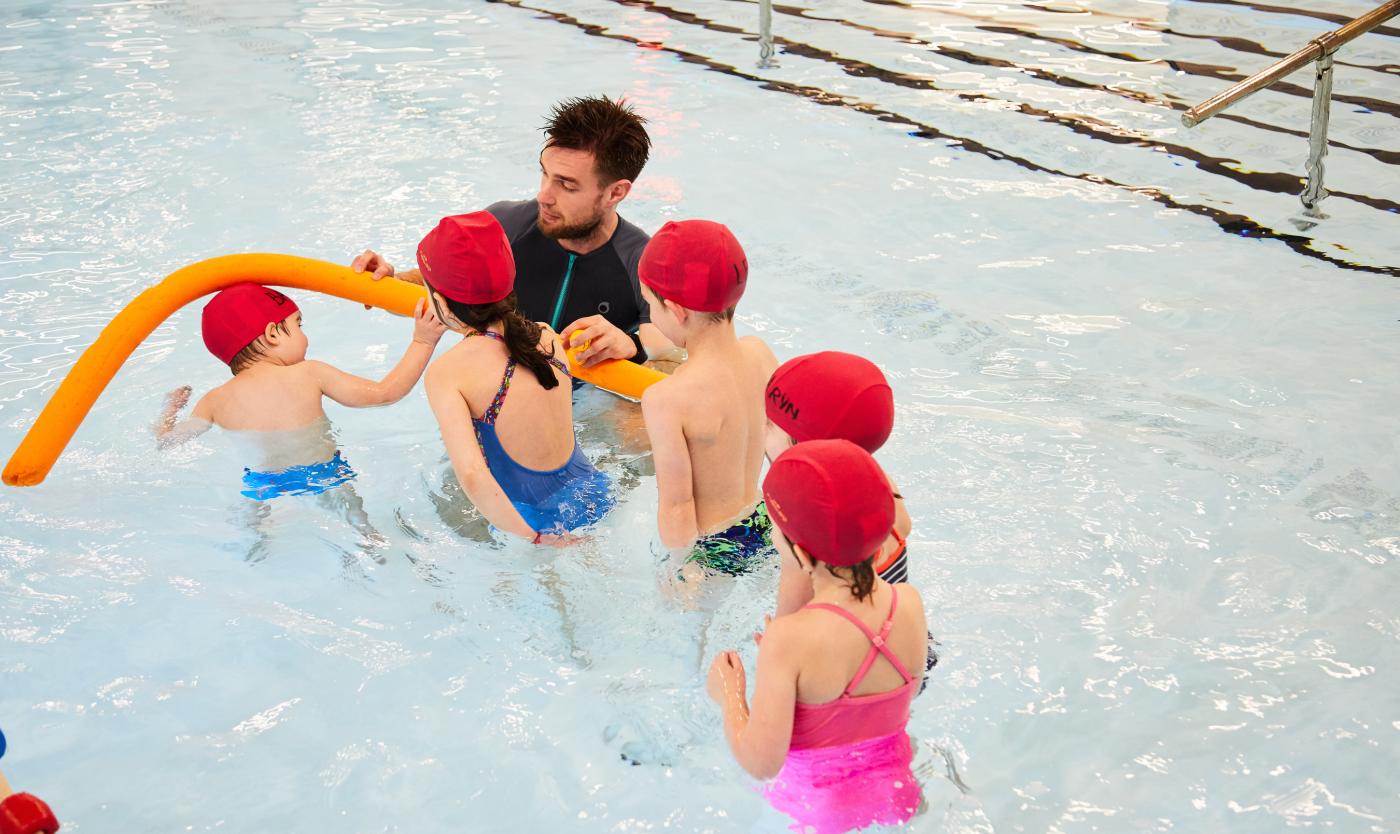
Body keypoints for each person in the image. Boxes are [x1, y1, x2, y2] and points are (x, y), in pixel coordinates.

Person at [351, 95, 669, 370]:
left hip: (590, 409)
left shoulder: (643, 262)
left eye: (567, 185)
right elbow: (432, 289)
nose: (544, 195)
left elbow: (678, 350)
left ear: (615, 193)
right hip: (500, 398)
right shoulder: (505, 226)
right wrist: (386, 283)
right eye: (545, 174)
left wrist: (633, 346)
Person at [707, 440, 927, 834]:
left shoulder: (789, 641)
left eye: (775, 530)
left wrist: (731, 694)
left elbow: (761, 763)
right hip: (898, 792)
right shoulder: (908, 603)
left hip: (816, 808)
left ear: (804, 557)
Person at [417, 212, 614, 544]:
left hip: (532, 519)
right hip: (593, 491)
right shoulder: (546, 336)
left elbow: (472, 476)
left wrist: (535, 538)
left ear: (440, 301)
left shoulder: (448, 373)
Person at [156, 283, 446, 500]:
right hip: (322, 473)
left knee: (253, 534)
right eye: (298, 325)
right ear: (272, 334)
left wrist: (170, 410)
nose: (304, 335)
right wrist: (423, 342)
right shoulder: (309, 372)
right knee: (358, 526)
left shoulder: (214, 400)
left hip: (262, 481)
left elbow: (167, 442)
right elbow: (386, 392)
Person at [763, 352, 937, 691]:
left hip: (847, 671)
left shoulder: (804, 527)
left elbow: (791, 622)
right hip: (909, 649)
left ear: (800, 446)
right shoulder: (881, 488)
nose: (760, 432)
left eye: (769, 426)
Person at [637, 219, 778, 574]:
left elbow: (677, 506)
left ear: (677, 310)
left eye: (649, 304)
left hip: (712, 548)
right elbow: (784, 447)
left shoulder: (667, 398)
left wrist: (682, 569)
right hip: (764, 522)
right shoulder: (759, 354)